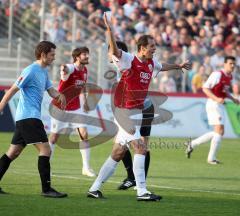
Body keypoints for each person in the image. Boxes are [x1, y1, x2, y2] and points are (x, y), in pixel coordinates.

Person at [87, 13, 191, 201]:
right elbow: (115, 51)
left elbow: (163, 66)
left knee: (118, 153)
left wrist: (178, 65)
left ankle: (94, 188)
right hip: (124, 111)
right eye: (152, 46)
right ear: (142, 48)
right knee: (141, 148)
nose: (154, 49)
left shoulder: (151, 63)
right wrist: (109, 30)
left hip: (134, 112)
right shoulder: (128, 60)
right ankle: (142, 191)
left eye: (154, 46)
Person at [0, 41, 67, 197]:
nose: (54, 58)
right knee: (46, 150)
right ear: (43, 55)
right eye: (52, 55)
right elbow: (13, 89)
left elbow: (50, 90)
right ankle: (47, 190)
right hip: (29, 117)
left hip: (27, 117)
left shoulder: (43, 72)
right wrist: (2, 104)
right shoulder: (30, 70)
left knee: (13, 152)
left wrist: (60, 95)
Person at [110, 41, 153, 190]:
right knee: (121, 143)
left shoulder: (129, 62)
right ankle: (131, 177)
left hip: (144, 108)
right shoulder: (117, 66)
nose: (110, 54)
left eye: (111, 50)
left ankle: (140, 182)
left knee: (142, 145)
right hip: (128, 109)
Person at [49, 47, 96, 177]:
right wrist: (63, 69)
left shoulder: (85, 70)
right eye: (84, 54)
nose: (87, 56)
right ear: (77, 57)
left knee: (84, 134)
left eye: (88, 54)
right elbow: (66, 68)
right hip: (60, 108)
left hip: (76, 108)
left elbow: (82, 88)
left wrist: (84, 102)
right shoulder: (71, 68)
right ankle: (46, 165)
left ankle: (86, 168)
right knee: (54, 137)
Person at [186, 56, 239, 164]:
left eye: (234, 64)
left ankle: (192, 144)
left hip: (219, 104)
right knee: (219, 130)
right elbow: (205, 88)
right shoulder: (217, 74)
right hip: (213, 103)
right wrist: (216, 98)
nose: (232, 66)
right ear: (224, 64)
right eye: (230, 63)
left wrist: (232, 98)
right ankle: (211, 158)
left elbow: (224, 91)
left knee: (218, 132)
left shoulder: (229, 77)